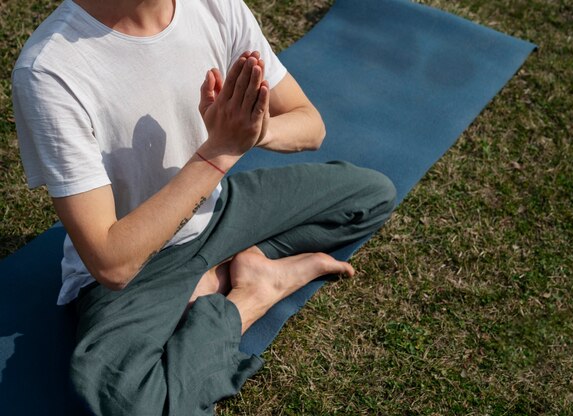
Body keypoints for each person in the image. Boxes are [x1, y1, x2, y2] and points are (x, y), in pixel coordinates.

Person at [12, 0, 396, 414]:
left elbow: (309, 124)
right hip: (139, 263)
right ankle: (248, 298)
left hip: (216, 211)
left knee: (370, 196)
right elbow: (110, 263)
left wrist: (252, 130)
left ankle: (224, 273)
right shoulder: (49, 70)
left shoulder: (216, 7)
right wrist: (219, 152)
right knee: (123, 397)